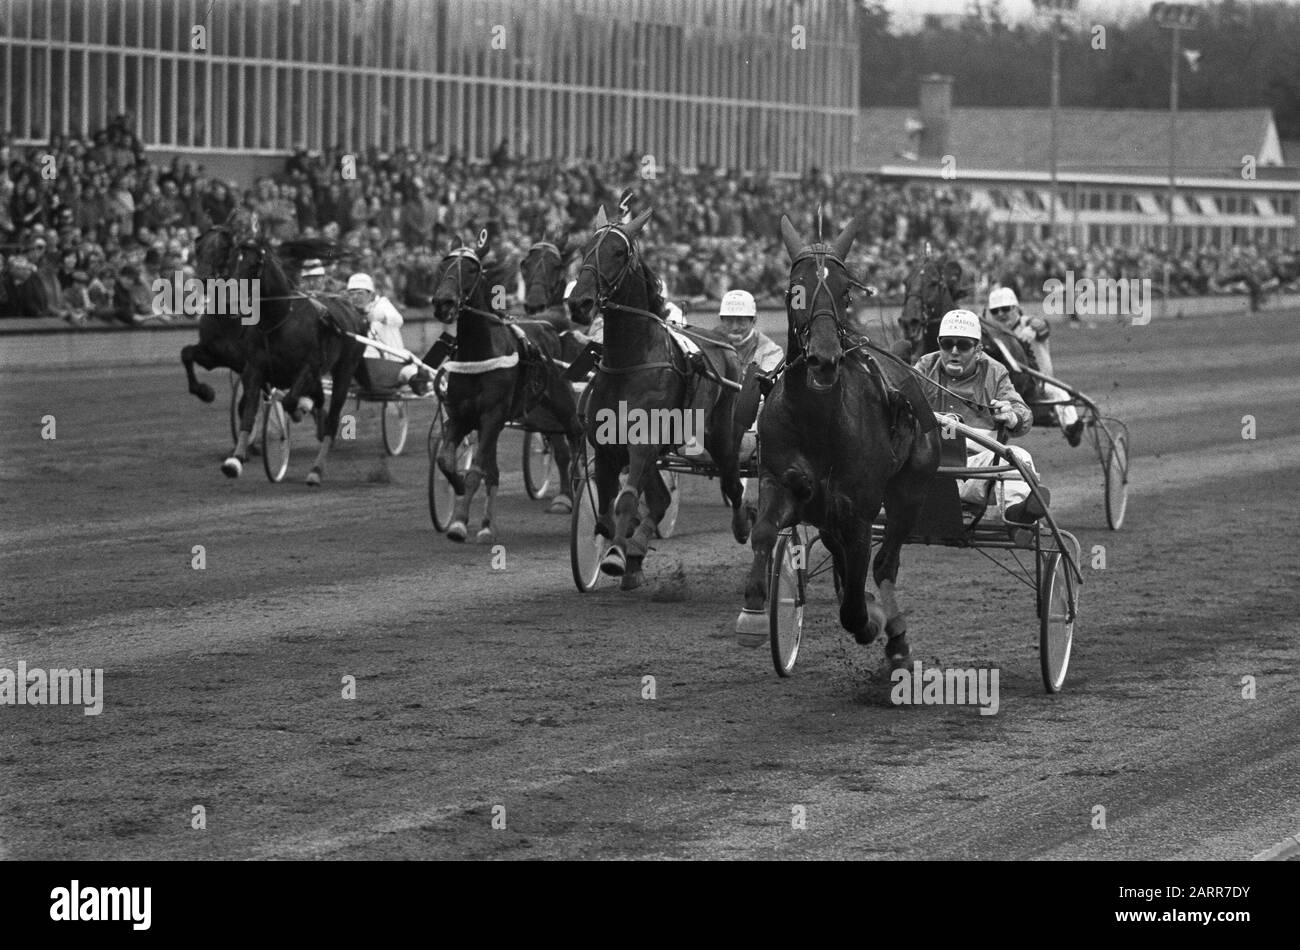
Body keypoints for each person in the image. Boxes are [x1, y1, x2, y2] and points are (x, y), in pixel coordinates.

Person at [914, 309, 1050, 525]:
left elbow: (1022, 412)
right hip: (926, 469)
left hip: (976, 471)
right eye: (947, 344)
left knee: (1020, 457)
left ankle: (1018, 517)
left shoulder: (995, 373)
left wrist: (1012, 416)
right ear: (939, 344)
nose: (954, 352)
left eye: (963, 345)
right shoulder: (924, 367)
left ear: (978, 350)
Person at [985, 286, 1083, 447]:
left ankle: (1072, 427)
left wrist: (1033, 329)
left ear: (1016, 308)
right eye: (995, 311)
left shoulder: (1027, 323)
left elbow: (1042, 324)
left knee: (1059, 392)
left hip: (1040, 383)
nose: (1001, 314)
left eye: (1005, 309)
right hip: (1009, 385)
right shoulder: (995, 333)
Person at [717, 289, 784, 518]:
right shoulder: (710, 342)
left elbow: (762, 397)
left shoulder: (770, 351)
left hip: (748, 420)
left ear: (753, 321)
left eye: (741, 321)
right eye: (729, 320)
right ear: (721, 320)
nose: (734, 327)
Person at [346, 272, 430, 394]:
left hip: (390, 362)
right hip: (361, 367)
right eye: (351, 294)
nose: (355, 297)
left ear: (371, 295)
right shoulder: (347, 313)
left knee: (408, 372)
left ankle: (418, 380)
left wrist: (379, 316)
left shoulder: (382, 304)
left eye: (360, 293)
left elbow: (398, 320)